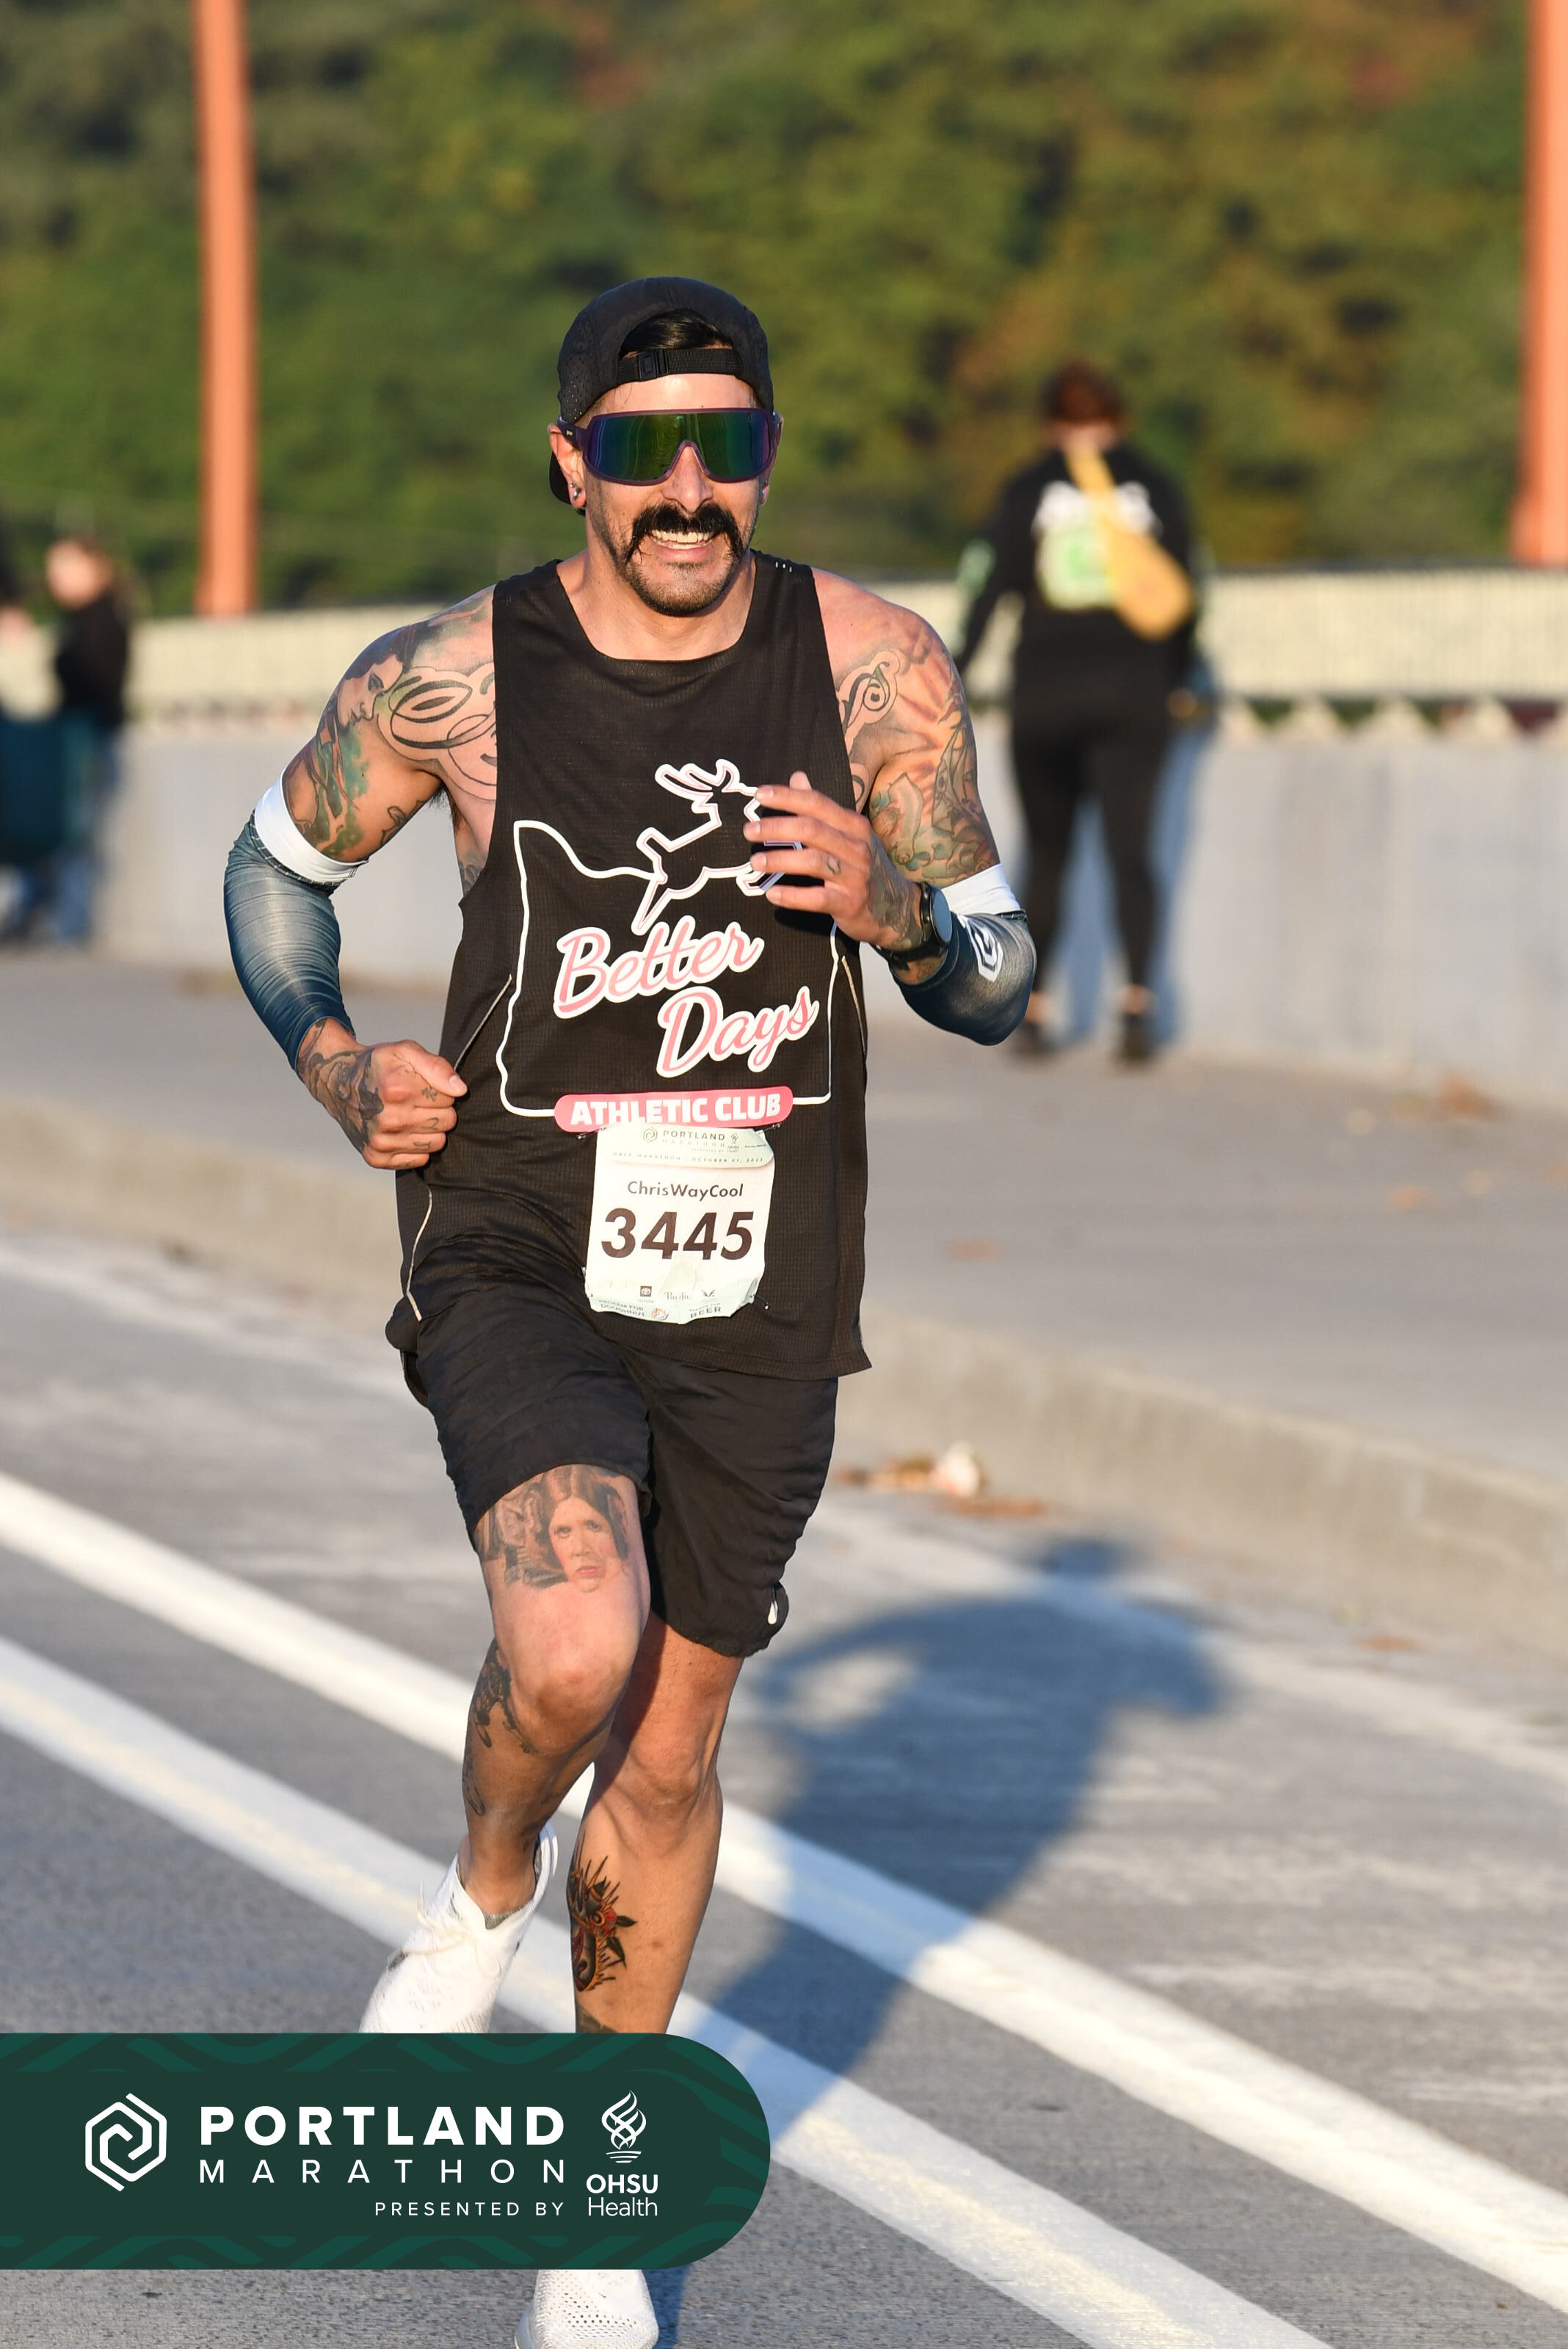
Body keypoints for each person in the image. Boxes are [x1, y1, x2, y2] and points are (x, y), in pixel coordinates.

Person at [223, 276, 1034, 2349]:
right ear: (571, 461)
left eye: (727, 446)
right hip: (512, 1223)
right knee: (573, 1644)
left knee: (667, 1755)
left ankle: (594, 2214)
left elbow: (1004, 971)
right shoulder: (453, 679)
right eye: (645, 447)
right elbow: (272, 873)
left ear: (765, 458)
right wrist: (337, 1064)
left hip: (763, 1264)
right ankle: (483, 1887)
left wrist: (898, 907)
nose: (689, 490)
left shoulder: (872, 669)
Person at [956, 357, 1194, 1064]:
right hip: (1136, 693)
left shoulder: (1028, 486)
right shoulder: (1155, 484)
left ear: (1050, 424)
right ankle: (1138, 1006)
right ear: (1120, 419)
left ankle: (1033, 1011)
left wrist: (955, 669)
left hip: (1046, 693)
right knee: (1133, 853)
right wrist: (1179, 678)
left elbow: (988, 584)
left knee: (1048, 853)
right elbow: (1185, 595)